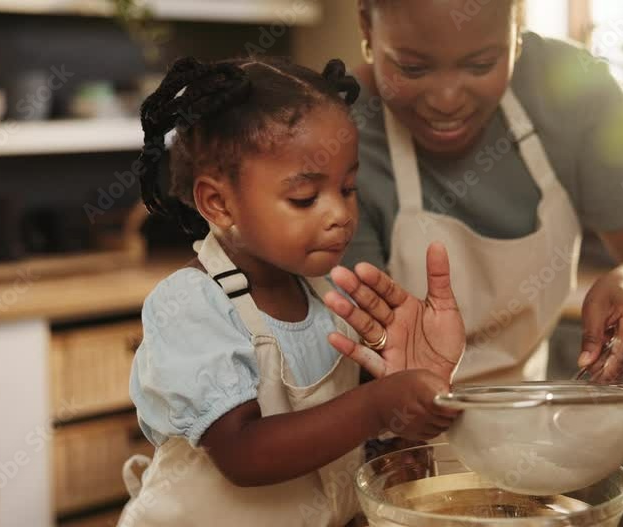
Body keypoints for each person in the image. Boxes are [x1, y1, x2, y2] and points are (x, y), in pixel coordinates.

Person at [117, 56, 462, 527]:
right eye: (305, 198)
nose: (339, 213)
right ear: (218, 202)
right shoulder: (191, 305)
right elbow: (243, 455)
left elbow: (357, 446)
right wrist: (378, 403)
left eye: (348, 188)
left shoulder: (331, 300)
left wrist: (417, 399)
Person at [340, 0, 623, 384]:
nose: (446, 100)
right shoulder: (340, 128)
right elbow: (349, 354)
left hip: (524, 423)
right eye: (412, 68)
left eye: (481, 64)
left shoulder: (572, 86)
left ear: (518, 25)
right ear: (366, 27)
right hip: (388, 435)